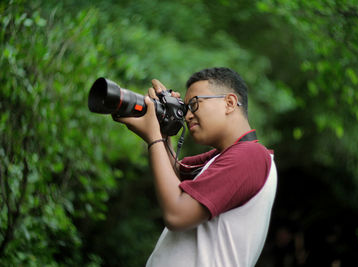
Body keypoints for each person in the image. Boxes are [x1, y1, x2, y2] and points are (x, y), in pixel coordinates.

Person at [115, 67, 277, 267]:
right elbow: (175, 175)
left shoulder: (250, 156)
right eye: (184, 109)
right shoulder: (224, 157)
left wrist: (154, 138)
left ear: (229, 103)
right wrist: (164, 126)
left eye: (194, 104)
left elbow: (177, 214)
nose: (188, 116)